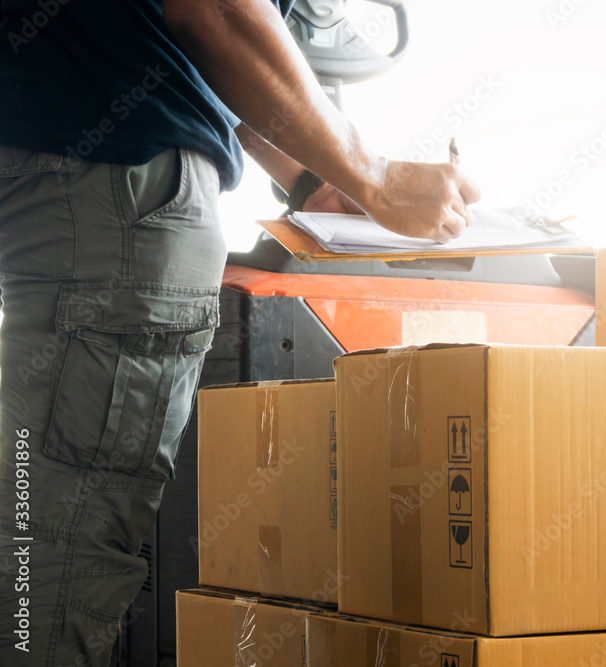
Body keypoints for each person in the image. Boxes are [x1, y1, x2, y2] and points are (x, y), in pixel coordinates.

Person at [0, 0, 481, 664]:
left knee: (31, 522)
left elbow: (189, 32)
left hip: (56, 156)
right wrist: (375, 175)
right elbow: (217, 11)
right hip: (114, 188)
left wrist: (314, 176)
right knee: (53, 552)